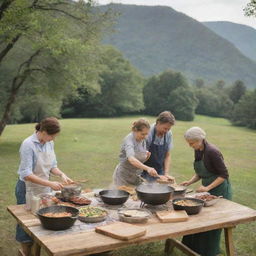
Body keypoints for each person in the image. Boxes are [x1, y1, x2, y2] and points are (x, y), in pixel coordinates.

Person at [15, 117, 73, 256]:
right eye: (52, 136)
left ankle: (37, 250)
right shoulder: (28, 144)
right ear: (44, 131)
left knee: (44, 219)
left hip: (44, 188)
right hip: (27, 188)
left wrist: (61, 175)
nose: (53, 139)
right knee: (26, 222)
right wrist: (50, 183)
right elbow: (26, 174)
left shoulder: (49, 143)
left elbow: (52, 166)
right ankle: (26, 251)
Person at [180, 126, 232, 256]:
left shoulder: (212, 152)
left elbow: (224, 175)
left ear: (200, 139)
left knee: (212, 223)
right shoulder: (198, 150)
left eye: (191, 143)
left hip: (220, 191)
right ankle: (192, 248)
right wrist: (190, 182)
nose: (190, 145)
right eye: (189, 143)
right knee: (199, 219)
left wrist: (207, 188)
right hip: (207, 190)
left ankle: (208, 252)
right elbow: (200, 173)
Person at [113, 118, 159, 187]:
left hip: (135, 175)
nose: (145, 137)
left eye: (147, 134)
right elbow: (131, 159)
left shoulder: (142, 139)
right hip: (123, 176)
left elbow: (138, 159)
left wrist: (146, 157)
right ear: (135, 130)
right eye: (143, 134)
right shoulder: (129, 140)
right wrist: (148, 168)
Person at [142, 111, 175, 182]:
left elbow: (167, 155)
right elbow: (141, 156)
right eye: (165, 128)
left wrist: (166, 174)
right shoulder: (148, 133)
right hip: (145, 171)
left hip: (160, 171)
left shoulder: (168, 134)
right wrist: (148, 170)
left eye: (169, 129)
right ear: (158, 123)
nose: (167, 131)